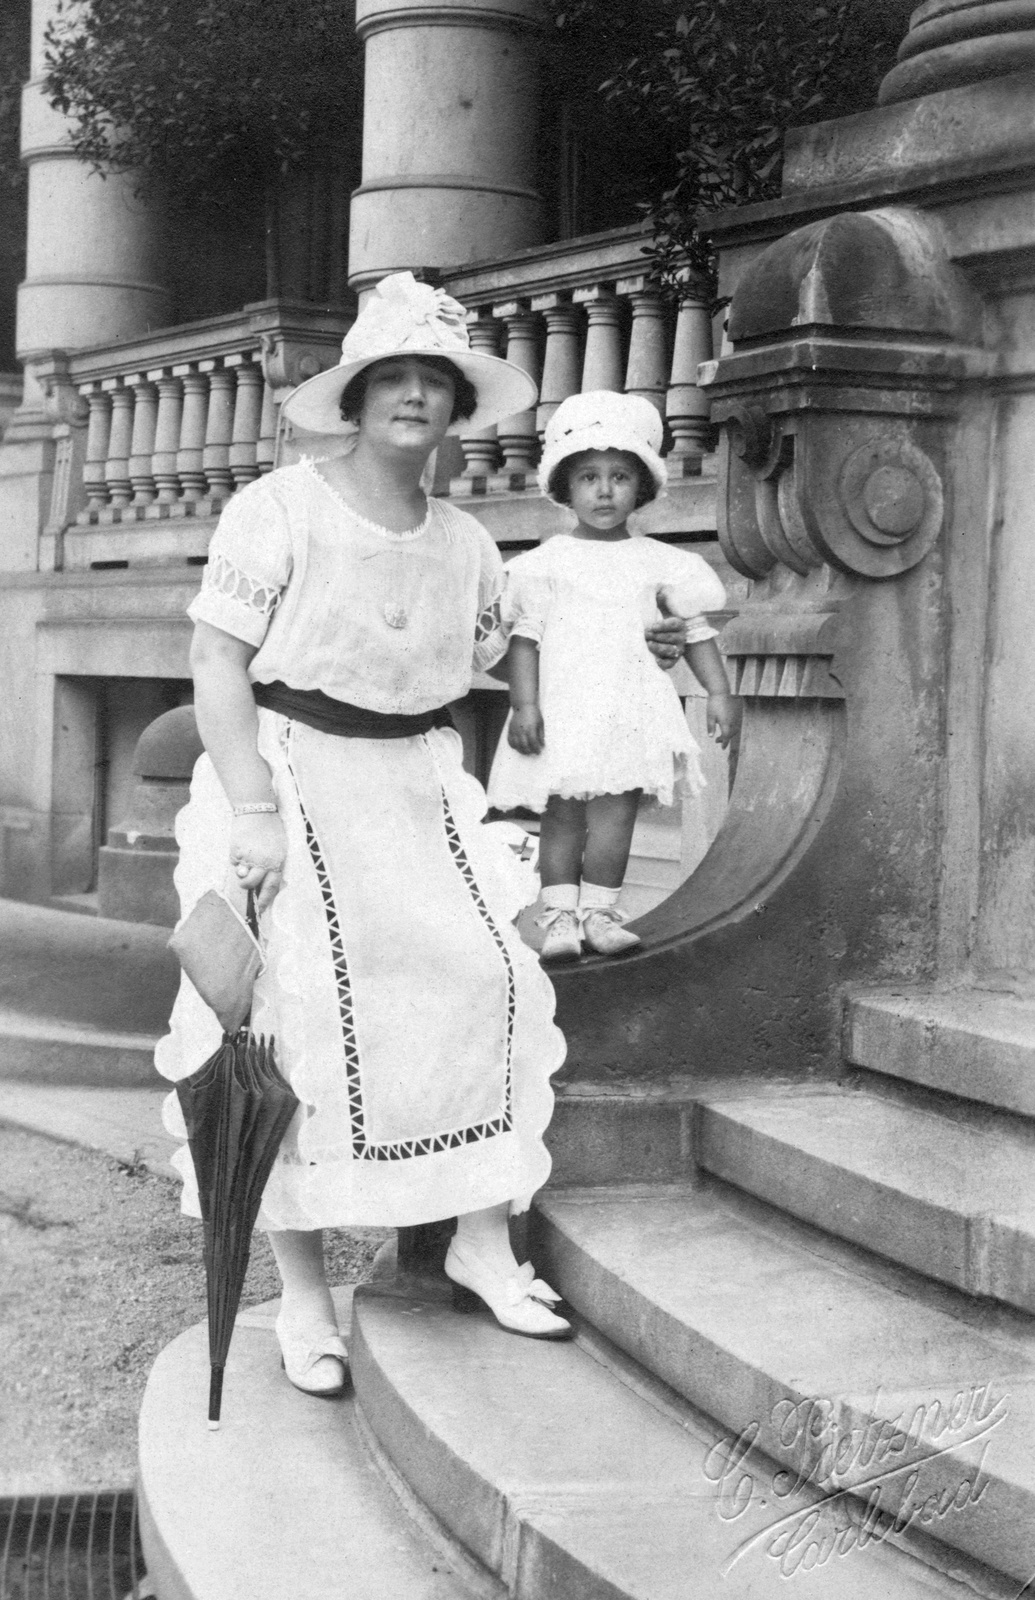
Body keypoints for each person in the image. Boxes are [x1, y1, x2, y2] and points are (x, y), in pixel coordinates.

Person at [156, 278, 686, 1398]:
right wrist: (251, 809)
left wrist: (639, 655)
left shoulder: (466, 544)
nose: (413, 398)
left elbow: (509, 658)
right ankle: (301, 1293)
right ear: (355, 398)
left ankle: (479, 1238)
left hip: (415, 779)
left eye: (433, 383)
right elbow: (217, 663)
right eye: (392, 378)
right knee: (287, 1026)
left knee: (486, 976)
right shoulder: (279, 508)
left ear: (455, 408)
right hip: (290, 776)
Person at [487, 390, 741, 962]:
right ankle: (558, 917)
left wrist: (720, 693)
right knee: (562, 815)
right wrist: (525, 706)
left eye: (620, 477)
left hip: (626, 709)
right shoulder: (544, 564)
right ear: (565, 488)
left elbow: (694, 630)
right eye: (589, 478)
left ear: (642, 488)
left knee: (614, 815)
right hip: (564, 705)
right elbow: (524, 639)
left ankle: (600, 912)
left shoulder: (660, 562)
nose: (604, 491)